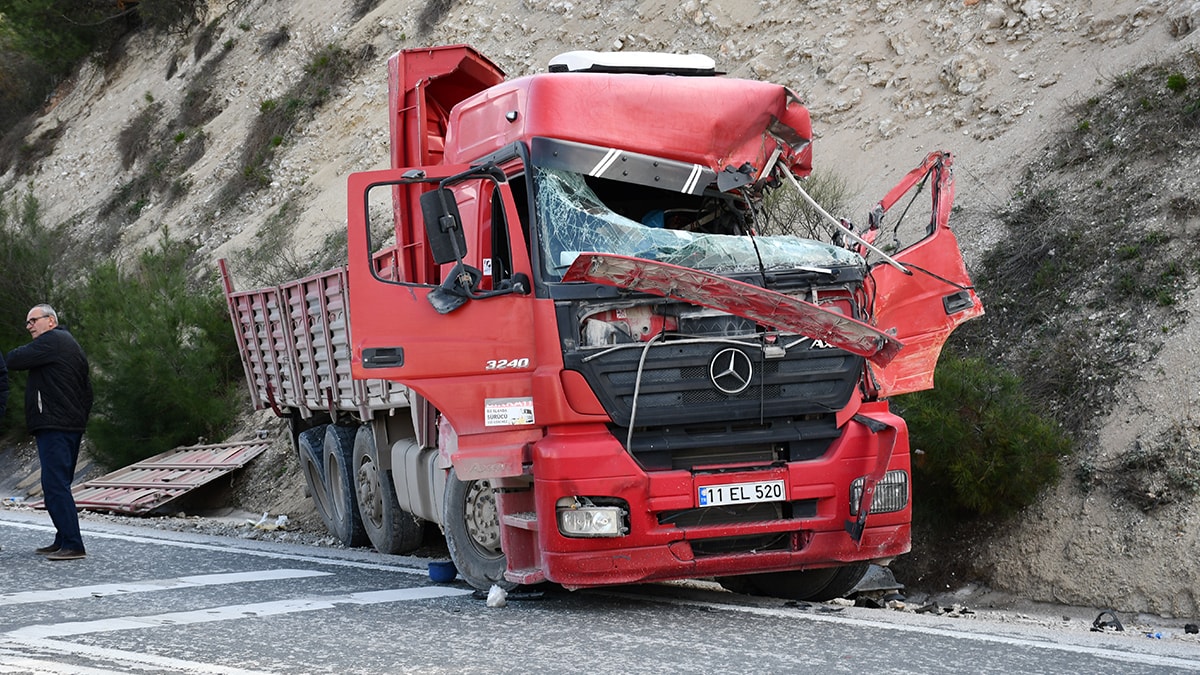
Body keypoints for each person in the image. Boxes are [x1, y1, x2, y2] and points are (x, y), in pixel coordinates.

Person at [6, 304, 93, 561]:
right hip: (69, 424)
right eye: (27, 322)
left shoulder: (52, 341)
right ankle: (63, 538)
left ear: (51, 321)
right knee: (58, 484)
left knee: (55, 485)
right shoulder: (67, 343)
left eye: (33, 320)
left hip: (56, 425)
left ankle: (74, 544)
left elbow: (13, 359)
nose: (29, 325)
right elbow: (87, 391)